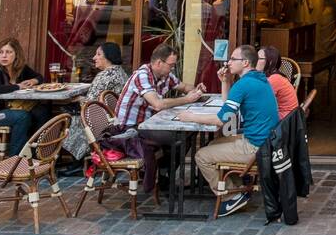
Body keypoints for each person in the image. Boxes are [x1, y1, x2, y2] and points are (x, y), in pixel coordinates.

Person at [179, 44, 279, 218]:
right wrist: (225, 81)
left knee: (202, 156)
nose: (228, 62)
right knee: (214, 143)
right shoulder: (258, 78)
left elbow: (221, 119)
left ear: (246, 63)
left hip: (256, 147)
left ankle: (231, 196)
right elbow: (229, 109)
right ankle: (237, 189)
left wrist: (190, 116)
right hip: (266, 142)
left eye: (233, 59)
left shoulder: (244, 84)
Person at [111, 44, 203, 183]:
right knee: (180, 136)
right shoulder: (142, 75)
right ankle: (162, 177)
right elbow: (158, 104)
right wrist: (187, 99)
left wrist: (196, 89)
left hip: (147, 125)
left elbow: (183, 86)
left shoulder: (164, 75)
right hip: (130, 129)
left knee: (187, 134)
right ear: (159, 62)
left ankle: (164, 174)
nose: (172, 68)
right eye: (171, 65)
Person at [61, 42, 129, 161]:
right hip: (113, 119)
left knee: (66, 117)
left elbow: (88, 104)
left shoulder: (103, 76)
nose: (94, 58)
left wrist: (77, 99)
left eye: (98, 54)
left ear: (108, 57)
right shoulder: (121, 72)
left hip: (100, 122)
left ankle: (76, 161)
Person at [258, 45, 298, 120]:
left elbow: (258, 102)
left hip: (284, 122)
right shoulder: (269, 77)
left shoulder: (274, 79)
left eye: (259, 58)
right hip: (284, 118)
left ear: (270, 62)